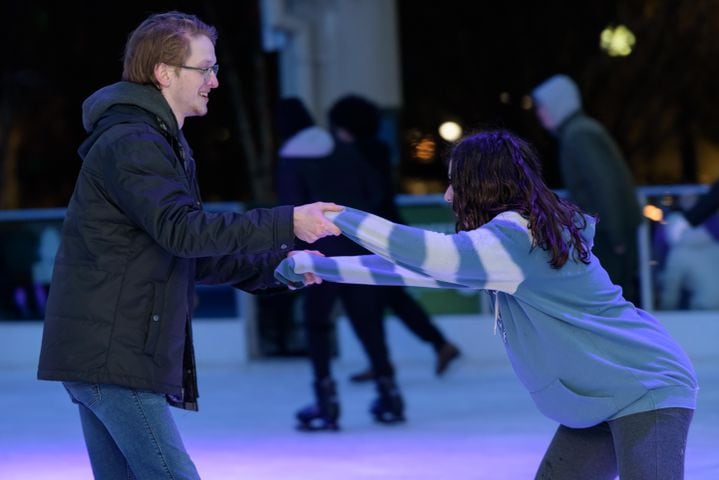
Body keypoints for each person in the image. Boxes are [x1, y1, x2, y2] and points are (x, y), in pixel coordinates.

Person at [277, 129, 698, 479]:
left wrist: (337, 218)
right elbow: (417, 270)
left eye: (454, 182)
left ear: (483, 185)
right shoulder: (520, 237)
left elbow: (428, 255)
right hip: (597, 397)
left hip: (645, 388)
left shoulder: (517, 240)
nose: (446, 196)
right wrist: (325, 267)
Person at [36, 12, 341, 479]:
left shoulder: (156, 141)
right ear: (165, 72)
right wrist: (288, 221)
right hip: (111, 354)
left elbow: (184, 250)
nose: (214, 82)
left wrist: (278, 267)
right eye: (205, 69)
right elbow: (185, 231)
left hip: (105, 352)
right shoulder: (133, 142)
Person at [275, 97, 405, 430]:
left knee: (317, 324)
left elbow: (289, 214)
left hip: (320, 256)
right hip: (359, 248)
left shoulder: (291, 160)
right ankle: (390, 395)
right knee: (368, 322)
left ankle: (326, 402)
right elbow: (375, 190)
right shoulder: (342, 149)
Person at [327, 94, 461, 381]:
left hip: (371, 236)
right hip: (385, 233)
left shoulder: (356, 155)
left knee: (367, 302)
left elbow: (367, 198)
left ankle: (385, 362)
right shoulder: (377, 151)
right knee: (393, 298)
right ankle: (434, 346)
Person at [531, 74, 643, 305]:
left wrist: (616, 237)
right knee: (614, 304)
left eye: (543, 106)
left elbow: (604, 186)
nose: (539, 114)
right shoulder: (579, 132)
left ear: (558, 104)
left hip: (608, 236)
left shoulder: (579, 135)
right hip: (607, 233)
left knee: (614, 304)